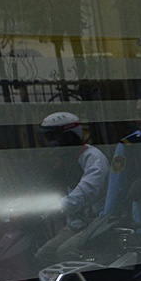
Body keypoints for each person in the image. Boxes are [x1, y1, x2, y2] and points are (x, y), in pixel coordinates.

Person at [36, 111, 110, 266]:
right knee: (44, 255)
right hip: (77, 224)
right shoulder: (66, 160)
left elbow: (85, 192)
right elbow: (48, 183)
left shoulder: (94, 159)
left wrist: (58, 206)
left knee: (64, 252)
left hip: (97, 223)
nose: (50, 143)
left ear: (69, 136)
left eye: (52, 137)